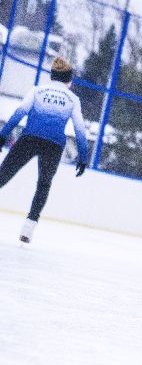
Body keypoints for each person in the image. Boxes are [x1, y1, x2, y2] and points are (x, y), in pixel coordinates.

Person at [0, 57, 88, 244]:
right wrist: (83, 156)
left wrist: (2, 135)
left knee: (2, 176)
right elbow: (80, 130)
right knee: (43, 185)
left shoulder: (38, 91)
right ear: (69, 80)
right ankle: (28, 229)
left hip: (30, 138)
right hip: (53, 145)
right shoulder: (73, 99)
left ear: (52, 76)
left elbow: (19, 113)